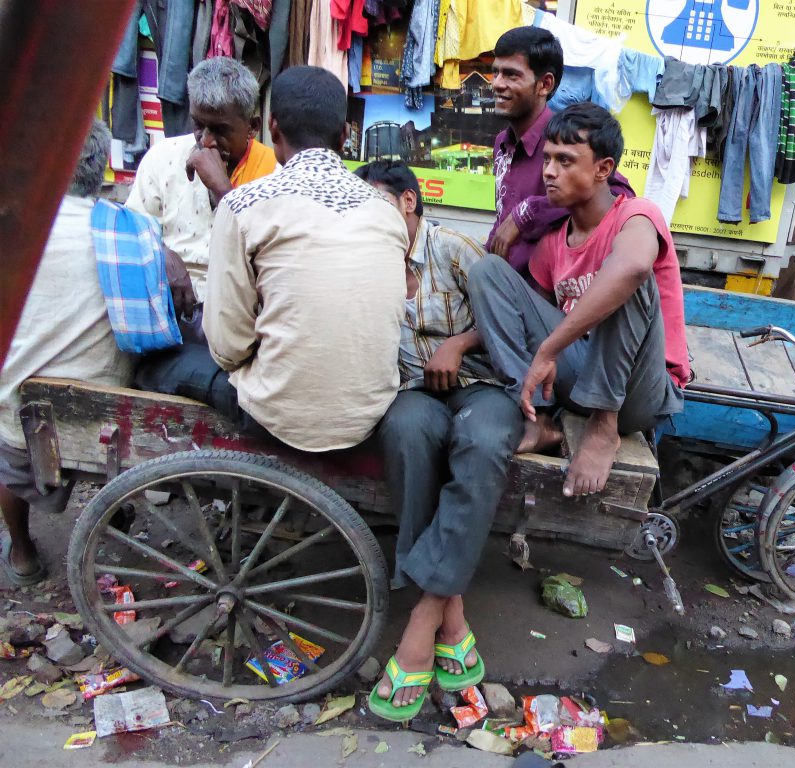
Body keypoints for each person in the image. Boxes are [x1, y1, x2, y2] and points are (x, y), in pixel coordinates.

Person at [352, 161, 522, 721]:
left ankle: (424, 616)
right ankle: (453, 614)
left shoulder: (451, 248)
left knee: (482, 439)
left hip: (481, 387)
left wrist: (459, 343)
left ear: (406, 202)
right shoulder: (366, 258)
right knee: (404, 432)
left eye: (374, 201)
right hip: (410, 392)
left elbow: (510, 316)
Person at [470, 103, 688, 498]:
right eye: (548, 159)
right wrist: (462, 343)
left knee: (627, 278)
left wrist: (550, 348)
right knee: (489, 271)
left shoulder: (637, 216)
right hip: (574, 383)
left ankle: (604, 429)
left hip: (637, 394)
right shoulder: (553, 243)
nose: (549, 171)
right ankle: (533, 413)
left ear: (603, 169)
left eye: (566, 161)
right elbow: (523, 317)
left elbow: (635, 267)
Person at [201, 66, 408, 451]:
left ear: (273, 129)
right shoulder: (387, 211)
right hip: (368, 413)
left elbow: (228, 348)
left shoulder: (242, 204)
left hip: (278, 418)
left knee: (168, 365)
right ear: (346, 135)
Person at [0, 120, 134, 586]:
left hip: (29, 413)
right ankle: (117, 513)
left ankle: (21, 553)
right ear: (101, 171)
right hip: (111, 407)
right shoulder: (131, 228)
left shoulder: (16, 232)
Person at [128, 57, 279, 407]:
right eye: (199, 126)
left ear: (253, 126)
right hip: (167, 328)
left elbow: (274, 271)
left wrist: (224, 191)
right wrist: (161, 254)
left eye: (220, 130)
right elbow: (130, 232)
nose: (206, 142)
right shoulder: (163, 158)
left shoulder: (276, 175)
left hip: (241, 338)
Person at [487, 26, 634, 275]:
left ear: (544, 84)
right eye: (496, 73)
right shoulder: (503, 142)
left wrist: (529, 212)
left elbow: (621, 197)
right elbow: (504, 218)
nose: (497, 84)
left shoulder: (567, 140)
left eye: (511, 75)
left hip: (550, 297)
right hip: (503, 287)